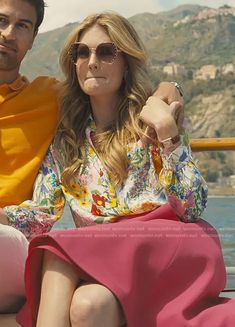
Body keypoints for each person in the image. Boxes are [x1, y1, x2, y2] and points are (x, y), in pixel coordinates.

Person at [3, 11, 231, 327]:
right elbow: (40, 214)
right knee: (88, 304)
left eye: (106, 52)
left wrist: (167, 130)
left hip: (166, 246)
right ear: (75, 65)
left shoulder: (154, 119)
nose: (92, 61)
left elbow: (191, 207)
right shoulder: (67, 141)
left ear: (125, 62)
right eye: (82, 53)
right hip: (105, 263)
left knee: (57, 251)